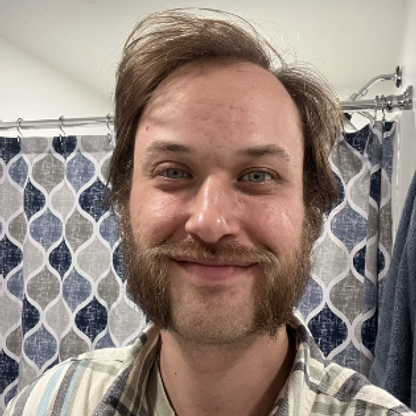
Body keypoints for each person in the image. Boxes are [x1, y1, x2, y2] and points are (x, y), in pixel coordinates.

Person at [5, 8, 415, 416]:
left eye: (258, 175)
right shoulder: (45, 404)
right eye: (173, 172)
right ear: (125, 201)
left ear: (312, 210)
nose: (209, 223)